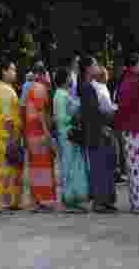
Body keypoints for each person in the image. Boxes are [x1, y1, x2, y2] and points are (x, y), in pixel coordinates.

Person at [115, 52, 139, 214]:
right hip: (133, 129)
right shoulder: (130, 82)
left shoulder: (132, 81)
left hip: (136, 128)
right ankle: (138, 203)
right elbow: (125, 107)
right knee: (137, 166)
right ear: (134, 65)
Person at [80, 58, 116, 213]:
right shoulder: (87, 87)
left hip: (101, 130)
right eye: (94, 65)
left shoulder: (93, 86)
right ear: (88, 69)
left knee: (106, 165)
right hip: (96, 133)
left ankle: (106, 200)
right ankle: (99, 202)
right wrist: (103, 125)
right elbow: (92, 112)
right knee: (98, 167)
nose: (98, 67)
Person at [54, 66, 89, 212]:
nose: (71, 79)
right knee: (69, 167)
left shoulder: (62, 94)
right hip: (67, 135)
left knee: (73, 166)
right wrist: (73, 117)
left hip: (68, 135)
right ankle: (69, 201)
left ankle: (72, 200)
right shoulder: (61, 95)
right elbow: (61, 118)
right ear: (65, 79)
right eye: (69, 76)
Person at [24, 66, 56, 213]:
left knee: (36, 167)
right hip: (38, 132)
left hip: (32, 132)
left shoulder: (33, 87)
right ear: (43, 75)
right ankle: (41, 201)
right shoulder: (39, 88)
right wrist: (46, 132)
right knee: (41, 166)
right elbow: (40, 111)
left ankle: (37, 200)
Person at [0, 60, 22, 212]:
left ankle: (9, 201)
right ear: (4, 71)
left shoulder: (5, 88)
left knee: (9, 167)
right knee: (5, 167)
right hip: (7, 135)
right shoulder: (4, 89)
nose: (14, 73)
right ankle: (2, 201)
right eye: (12, 70)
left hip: (8, 134)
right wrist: (11, 137)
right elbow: (7, 116)